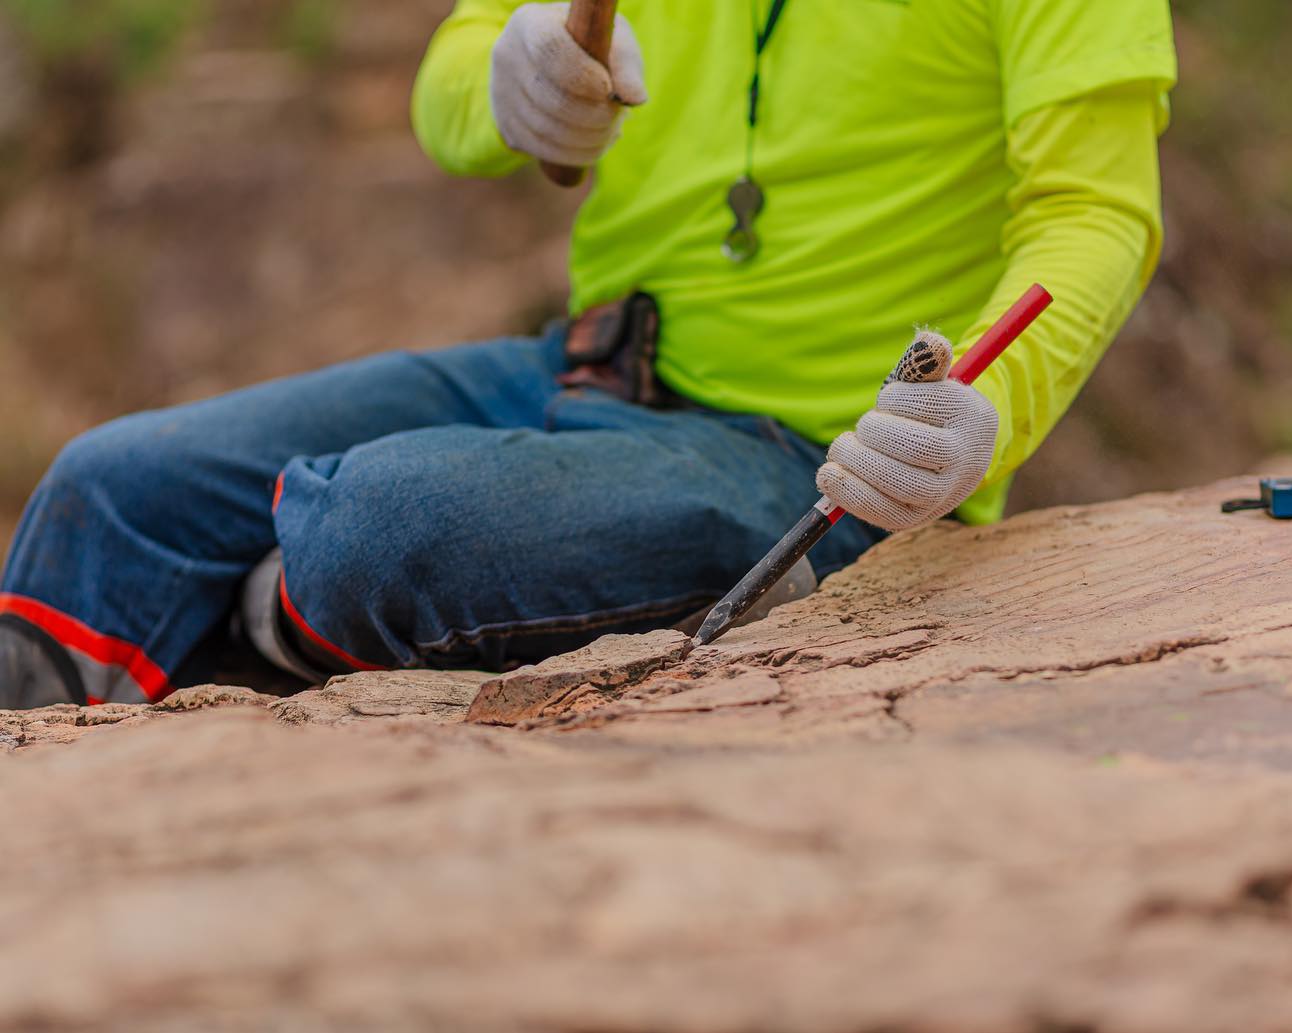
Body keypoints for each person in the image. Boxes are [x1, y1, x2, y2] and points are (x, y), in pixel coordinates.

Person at [0, 0, 1176, 708]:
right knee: (112, 484)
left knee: (384, 526)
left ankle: (246, 630)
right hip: (573, 365)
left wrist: (986, 403)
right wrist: (505, 81)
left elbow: (1095, 213)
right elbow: (455, 72)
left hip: (816, 463)